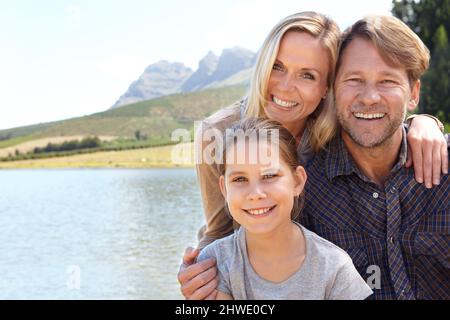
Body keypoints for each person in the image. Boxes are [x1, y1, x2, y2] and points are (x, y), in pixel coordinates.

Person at [178, 12, 448, 300]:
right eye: (277, 66)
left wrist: (424, 122)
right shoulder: (219, 134)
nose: (285, 86)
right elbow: (221, 228)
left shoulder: (329, 127)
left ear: (325, 88)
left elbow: (377, 122)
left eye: (307, 75)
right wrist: (204, 272)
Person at [299, 15, 450, 300]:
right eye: (354, 80)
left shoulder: (446, 171)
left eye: (387, 81)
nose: (369, 97)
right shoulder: (306, 189)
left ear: (413, 93)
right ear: (332, 89)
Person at [196, 117, 373, 299]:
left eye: (269, 175)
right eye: (239, 179)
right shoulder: (214, 263)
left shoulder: (334, 267)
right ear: (224, 188)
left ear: (297, 181)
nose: (255, 193)